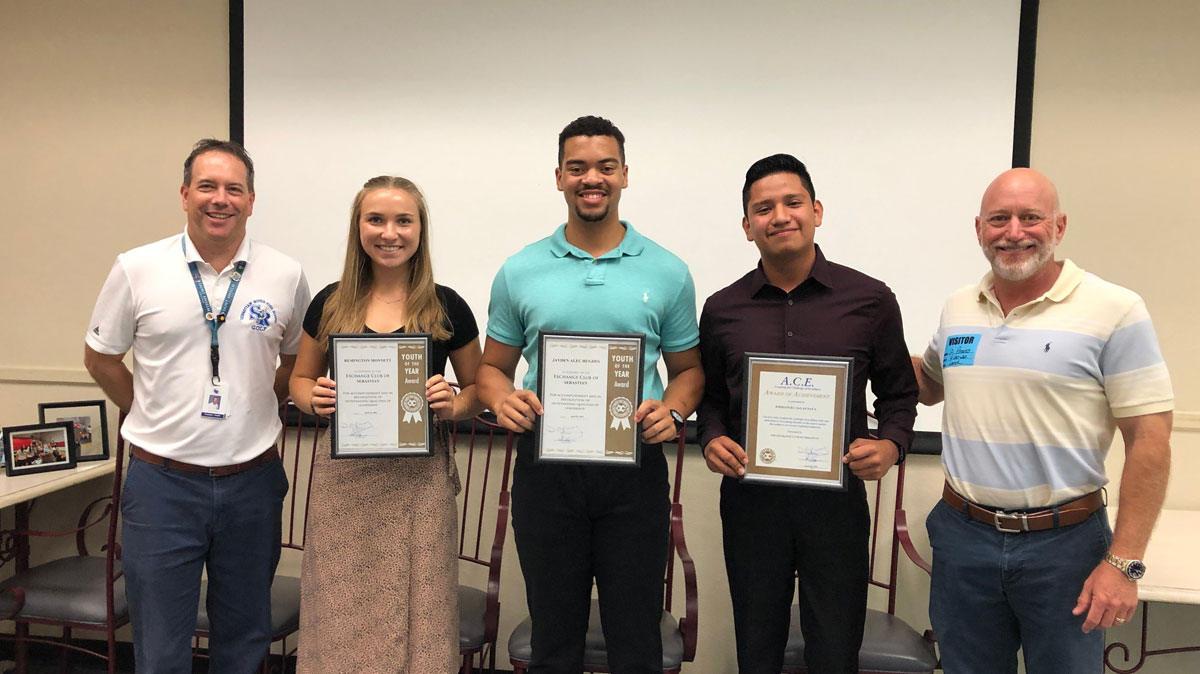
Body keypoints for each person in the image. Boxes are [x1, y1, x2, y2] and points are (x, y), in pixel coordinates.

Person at [913, 168, 1173, 674]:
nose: (1013, 232)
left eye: (1030, 217)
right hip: (963, 538)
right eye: (999, 219)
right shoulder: (959, 307)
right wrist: (853, 349)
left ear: (1059, 225)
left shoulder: (1115, 309)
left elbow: (1150, 439)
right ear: (978, 228)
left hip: (1066, 546)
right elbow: (929, 383)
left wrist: (1123, 562)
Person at [477, 115, 705, 673]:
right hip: (546, 471)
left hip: (634, 472)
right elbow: (490, 370)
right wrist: (502, 398)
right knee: (555, 637)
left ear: (625, 175)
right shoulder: (519, 270)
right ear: (558, 177)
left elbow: (690, 371)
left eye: (605, 166)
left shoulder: (669, 271)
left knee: (636, 636)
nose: (591, 178)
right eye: (577, 168)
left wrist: (672, 410)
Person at [84, 138, 310, 673]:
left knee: (245, 638)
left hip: (252, 484)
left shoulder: (285, 275)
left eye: (234, 188)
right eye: (207, 186)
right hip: (163, 485)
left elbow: (296, 364)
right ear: (185, 194)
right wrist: (148, 410)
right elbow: (101, 359)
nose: (220, 199)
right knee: (161, 648)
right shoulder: (137, 268)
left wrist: (259, 404)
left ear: (252, 201)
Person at [697, 154, 917, 673]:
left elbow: (898, 395)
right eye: (764, 208)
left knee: (836, 646)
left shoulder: (871, 299)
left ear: (816, 210)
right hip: (752, 504)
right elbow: (709, 400)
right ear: (747, 226)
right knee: (756, 644)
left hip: (836, 505)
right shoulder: (722, 308)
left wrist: (891, 445)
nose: (780, 216)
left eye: (793, 202)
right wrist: (709, 438)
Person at [289, 175, 484, 673]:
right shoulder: (330, 302)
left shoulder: (447, 306)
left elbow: (481, 390)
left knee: (423, 607)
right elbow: (299, 381)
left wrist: (452, 403)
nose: (389, 232)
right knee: (339, 607)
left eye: (403, 220)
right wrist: (314, 398)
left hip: (418, 486)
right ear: (358, 228)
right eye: (375, 219)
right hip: (345, 486)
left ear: (421, 230)